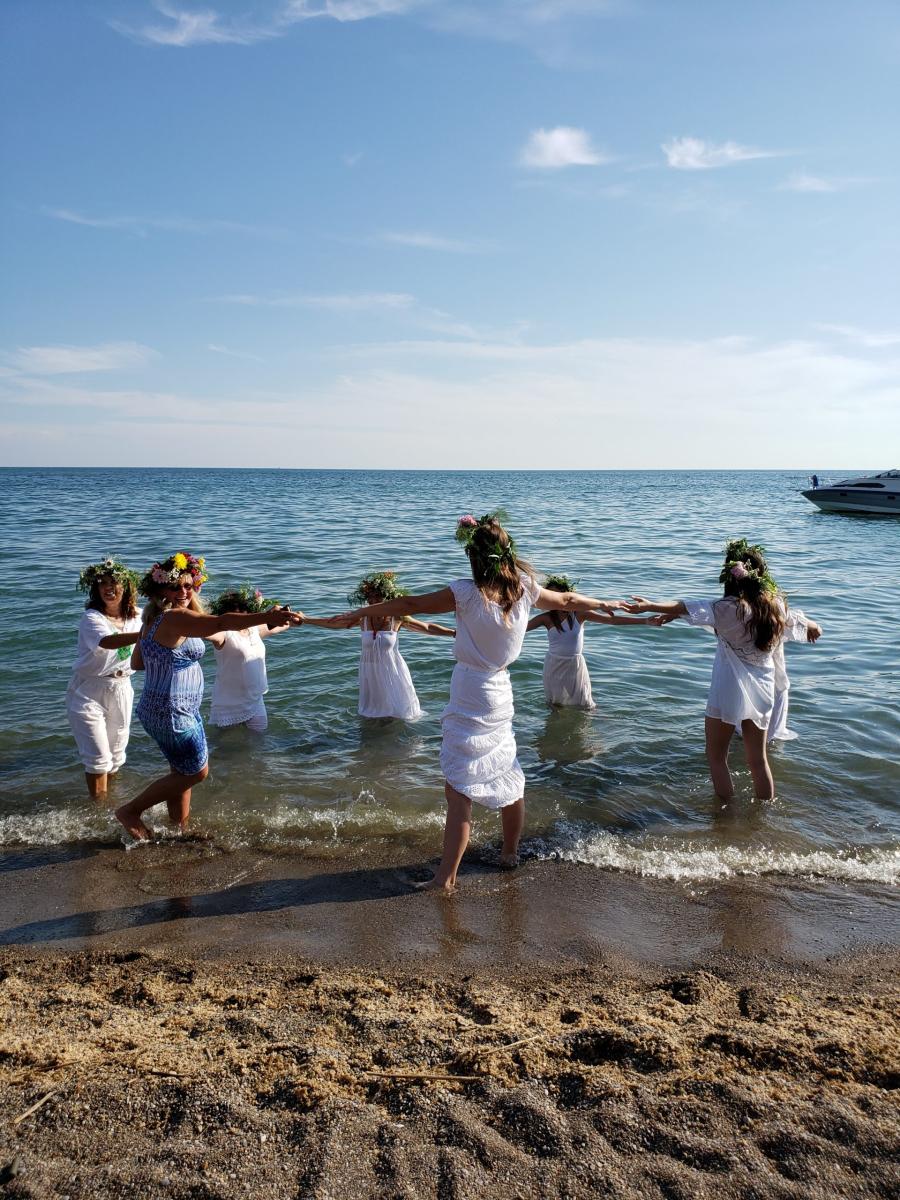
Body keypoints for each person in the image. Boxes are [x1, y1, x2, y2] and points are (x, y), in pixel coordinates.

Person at [327, 513, 625, 892]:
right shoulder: (526, 589)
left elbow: (411, 603)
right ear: (507, 554)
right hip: (501, 690)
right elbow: (567, 599)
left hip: (470, 690)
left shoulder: (465, 593)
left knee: (458, 789)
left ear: (474, 557)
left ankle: (446, 878)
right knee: (507, 772)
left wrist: (361, 612)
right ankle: (509, 853)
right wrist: (606, 602)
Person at [114, 552, 299, 842]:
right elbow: (221, 623)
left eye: (188, 586)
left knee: (180, 771)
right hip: (173, 711)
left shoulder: (152, 619)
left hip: (158, 707)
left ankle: (180, 829)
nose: (183, 592)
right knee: (196, 772)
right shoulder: (175, 617)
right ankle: (131, 811)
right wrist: (267, 615)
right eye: (175, 587)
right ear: (162, 589)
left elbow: (138, 663)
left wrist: (170, 658)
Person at [624, 539, 822, 801]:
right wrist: (813, 626)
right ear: (761, 575)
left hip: (727, 690)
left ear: (730, 575)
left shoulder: (726, 609)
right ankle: (764, 813)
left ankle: (726, 814)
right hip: (763, 691)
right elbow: (805, 623)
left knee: (717, 757)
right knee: (758, 761)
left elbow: (687, 606)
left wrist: (649, 606)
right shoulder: (776, 607)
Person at [526, 573, 670, 709]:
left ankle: (590, 725)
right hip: (554, 664)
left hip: (575, 664)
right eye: (552, 596)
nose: (557, 601)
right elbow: (522, 628)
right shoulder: (546, 618)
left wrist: (644, 621)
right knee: (555, 704)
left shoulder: (580, 614)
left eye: (559, 595)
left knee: (586, 705)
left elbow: (612, 620)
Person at [67, 557, 143, 797]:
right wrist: (149, 633)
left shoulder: (139, 616)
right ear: (96, 589)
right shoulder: (92, 618)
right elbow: (108, 642)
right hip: (89, 691)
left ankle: (110, 806)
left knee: (116, 757)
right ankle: (98, 811)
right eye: (103, 583)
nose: (108, 588)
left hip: (122, 688)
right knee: (98, 759)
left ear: (126, 587)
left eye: (114, 582)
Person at [207, 584, 293, 733]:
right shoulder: (222, 634)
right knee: (225, 743)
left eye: (243, 611)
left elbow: (283, 625)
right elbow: (202, 631)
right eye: (235, 613)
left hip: (255, 699)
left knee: (259, 741)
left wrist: (293, 617)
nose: (241, 616)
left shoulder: (254, 629)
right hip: (229, 702)